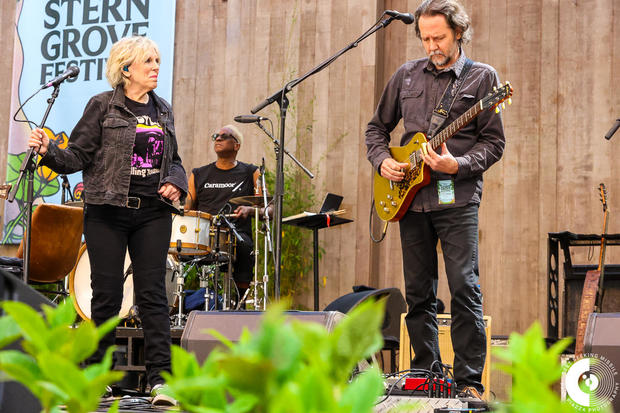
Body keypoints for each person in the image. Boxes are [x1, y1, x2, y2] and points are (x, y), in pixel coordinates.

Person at [28, 36, 187, 405]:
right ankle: (99, 377)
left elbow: (175, 160)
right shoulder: (102, 105)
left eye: (158, 60)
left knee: (152, 296)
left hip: (152, 213)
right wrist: (48, 150)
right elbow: (77, 157)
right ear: (126, 68)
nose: (155, 67)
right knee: (106, 296)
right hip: (106, 211)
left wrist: (175, 182)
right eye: (148, 60)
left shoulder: (163, 110)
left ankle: (161, 382)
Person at [365, 0, 505, 398]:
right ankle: (426, 376)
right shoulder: (405, 76)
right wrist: (382, 163)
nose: (432, 46)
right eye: (425, 38)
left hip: (457, 198)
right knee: (418, 293)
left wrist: (456, 164)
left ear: (458, 33)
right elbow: (376, 129)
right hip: (410, 199)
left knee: (464, 286)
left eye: (439, 37)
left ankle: (469, 383)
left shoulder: (482, 79)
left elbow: (494, 144)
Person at [185, 124, 270, 303]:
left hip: (237, 235)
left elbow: (269, 208)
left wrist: (250, 210)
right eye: (216, 135)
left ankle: (238, 302)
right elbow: (186, 209)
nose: (218, 138)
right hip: (204, 235)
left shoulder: (251, 172)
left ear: (236, 145)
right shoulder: (199, 174)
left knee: (246, 247)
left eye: (225, 136)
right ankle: (187, 302)